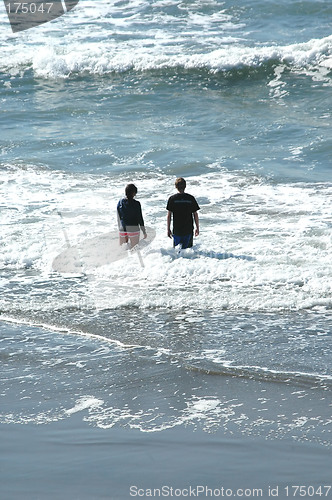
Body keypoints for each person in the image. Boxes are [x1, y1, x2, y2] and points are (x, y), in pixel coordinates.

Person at [166, 177, 200, 249]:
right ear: (185, 186)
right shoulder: (190, 198)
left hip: (177, 230)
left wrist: (168, 229)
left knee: (177, 251)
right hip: (188, 229)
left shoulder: (172, 199)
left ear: (176, 187)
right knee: (188, 251)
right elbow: (195, 214)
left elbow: (169, 216)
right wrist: (197, 228)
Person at [117, 183, 147, 248]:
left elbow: (119, 217)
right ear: (133, 193)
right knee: (134, 250)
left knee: (123, 251)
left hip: (123, 229)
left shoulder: (120, 202)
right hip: (133, 229)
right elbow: (140, 218)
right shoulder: (136, 204)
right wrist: (144, 231)